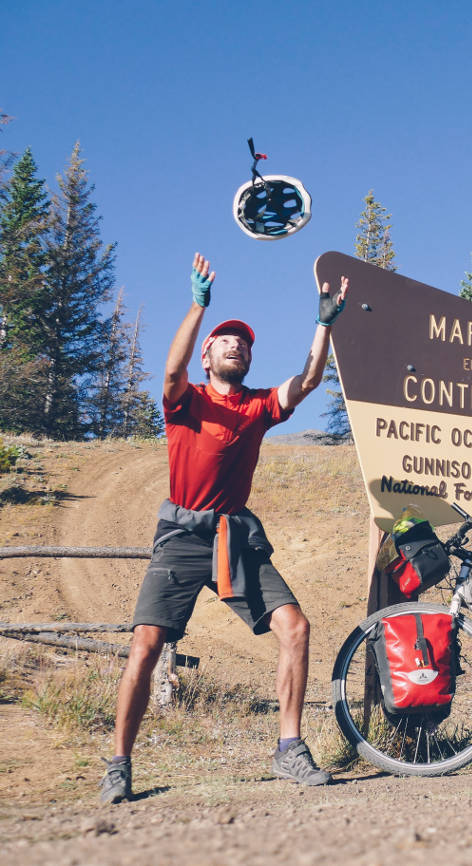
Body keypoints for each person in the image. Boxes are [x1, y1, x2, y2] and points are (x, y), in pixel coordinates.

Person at [100, 253, 348, 804]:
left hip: (236, 536)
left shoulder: (259, 407)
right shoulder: (186, 402)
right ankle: (119, 763)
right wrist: (198, 305)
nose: (237, 345)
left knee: (296, 628)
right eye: (225, 340)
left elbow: (308, 379)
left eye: (244, 342)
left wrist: (324, 323)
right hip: (183, 535)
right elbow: (169, 372)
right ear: (207, 355)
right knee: (145, 646)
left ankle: (289, 748)